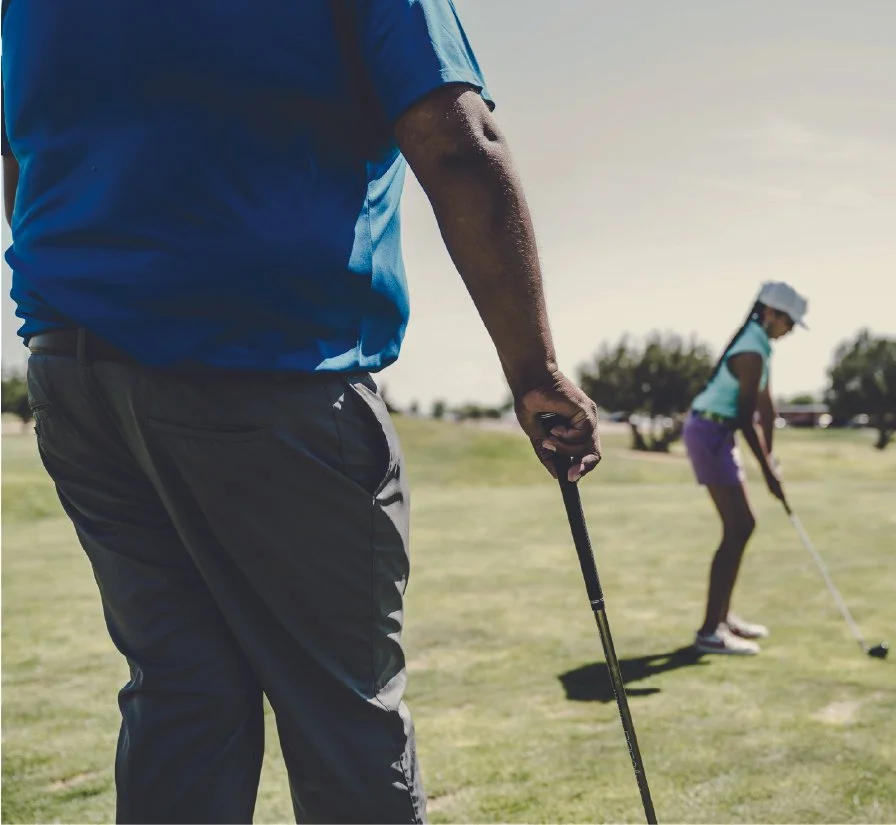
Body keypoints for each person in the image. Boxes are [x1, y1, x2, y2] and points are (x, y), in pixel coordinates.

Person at [2, 1, 600, 822]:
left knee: (182, 696)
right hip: (264, 362)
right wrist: (534, 372)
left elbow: (21, 154)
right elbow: (459, 145)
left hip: (76, 372)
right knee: (344, 716)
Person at [683, 282, 809, 655]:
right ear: (770, 313)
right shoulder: (752, 349)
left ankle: (721, 618)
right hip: (710, 432)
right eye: (789, 321)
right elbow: (744, 417)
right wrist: (767, 473)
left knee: (742, 526)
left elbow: (765, 408)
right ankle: (710, 631)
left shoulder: (761, 345)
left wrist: (772, 459)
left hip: (718, 433)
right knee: (740, 525)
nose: (790, 330)